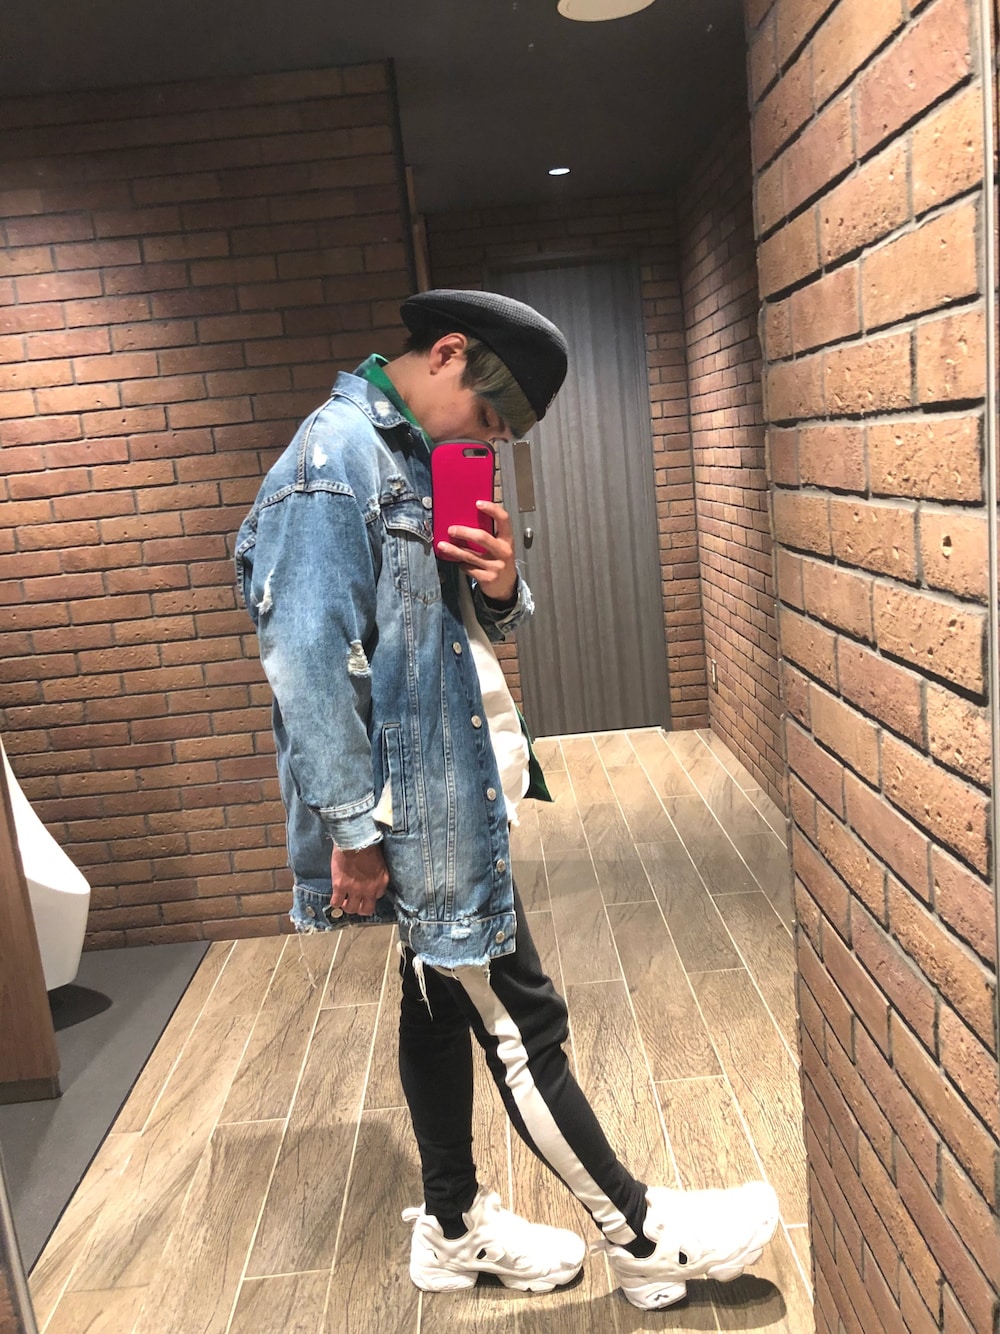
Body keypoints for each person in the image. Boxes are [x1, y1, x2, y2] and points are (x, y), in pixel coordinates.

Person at [235, 288, 778, 1311]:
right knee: (521, 1020)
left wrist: (496, 585)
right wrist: (351, 833)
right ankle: (643, 1237)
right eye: (487, 419)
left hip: (446, 791)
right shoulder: (334, 462)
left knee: (439, 1003)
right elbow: (305, 664)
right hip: (416, 817)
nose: (486, 443)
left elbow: (438, 629)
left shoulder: (403, 455)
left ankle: (451, 1229)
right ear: (448, 352)